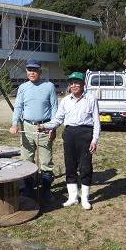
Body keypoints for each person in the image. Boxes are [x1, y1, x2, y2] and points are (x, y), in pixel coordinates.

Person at [38, 72, 100, 210]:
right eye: (71, 83)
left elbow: (96, 121)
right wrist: (44, 126)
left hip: (85, 134)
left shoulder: (91, 99)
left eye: (77, 82)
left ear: (83, 84)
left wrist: (94, 140)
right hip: (69, 134)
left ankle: (85, 198)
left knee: (85, 167)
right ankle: (72, 197)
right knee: (70, 166)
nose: (74, 85)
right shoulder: (65, 100)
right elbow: (58, 119)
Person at [10, 59, 58, 202]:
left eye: (35, 70)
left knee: (46, 162)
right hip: (27, 128)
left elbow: (54, 107)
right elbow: (18, 107)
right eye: (29, 70)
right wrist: (14, 124)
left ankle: (46, 191)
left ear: (40, 71)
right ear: (26, 71)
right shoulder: (23, 88)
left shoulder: (49, 86)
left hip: (44, 128)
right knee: (26, 160)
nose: (32, 72)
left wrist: (53, 127)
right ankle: (29, 189)